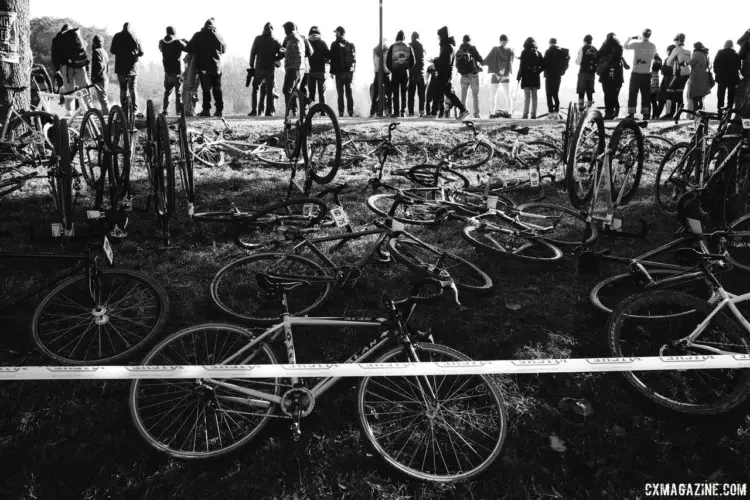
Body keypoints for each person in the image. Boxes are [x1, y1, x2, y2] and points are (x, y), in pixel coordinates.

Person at [186, 18, 227, 117]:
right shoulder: (219, 36)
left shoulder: (198, 35)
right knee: (217, 90)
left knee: (206, 90)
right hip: (217, 68)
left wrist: (185, 43)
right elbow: (224, 49)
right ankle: (219, 111)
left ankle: (206, 110)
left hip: (204, 68)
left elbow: (189, 48)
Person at [431, 26, 470, 121]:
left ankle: (433, 113)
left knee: (437, 92)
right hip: (447, 73)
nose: (438, 38)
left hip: (444, 73)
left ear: (443, 36)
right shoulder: (449, 46)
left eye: (439, 36)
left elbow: (445, 62)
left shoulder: (447, 47)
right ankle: (463, 110)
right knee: (449, 94)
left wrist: (435, 60)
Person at [51, 25, 91, 113]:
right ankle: (88, 107)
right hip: (79, 65)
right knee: (83, 87)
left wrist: (57, 69)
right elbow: (83, 51)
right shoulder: (77, 36)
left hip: (66, 66)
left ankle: (69, 111)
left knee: (69, 90)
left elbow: (54, 56)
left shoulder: (57, 38)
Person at [249, 22, 283, 117]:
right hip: (270, 69)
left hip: (259, 68)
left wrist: (251, 65)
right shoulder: (275, 41)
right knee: (269, 90)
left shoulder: (258, 39)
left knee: (256, 88)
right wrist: (275, 59)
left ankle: (254, 111)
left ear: (263, 29)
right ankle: (269, 112)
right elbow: (282, 53)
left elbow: (253, 53)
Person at [110, 22, 144, 114]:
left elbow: (112, 50)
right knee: (133, 89)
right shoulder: (135, 36)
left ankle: (124, 109)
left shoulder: (117, 36)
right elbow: (141, 52)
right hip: (132, 68)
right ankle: (135, 110)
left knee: (123, 89)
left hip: (120, 67)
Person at [624, 29, 658, 119]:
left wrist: (630, 38)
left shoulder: (637, 44)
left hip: (636, 73)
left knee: (633, 94)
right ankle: (646, 115)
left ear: (642, 35)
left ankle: (631, 114)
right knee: (646, 95)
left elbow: (625, 46)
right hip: (647, 73)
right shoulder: (653, 46)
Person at [280, 22, 312, 115]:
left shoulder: (295, 39)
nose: (285, 33)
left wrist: (297, 69)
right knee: (295, 91)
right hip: (298, 68)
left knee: (288, 90)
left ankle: (290, 112)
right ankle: (306, 108)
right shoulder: (294, 38)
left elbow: (299, 54)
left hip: (295, 68)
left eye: (286, 31)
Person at [158, 26, 188, 115]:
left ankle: (165, 110)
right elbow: (187, 48)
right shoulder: (177, 42)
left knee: (167, 92)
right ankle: (178, 112)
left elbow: (161, 49)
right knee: (178, 93)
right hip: (177, 72)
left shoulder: (161, 42)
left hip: (167, 72)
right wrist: (184, 41)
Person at [386, 30, 415, 118]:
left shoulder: (392, 46)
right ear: (404, 37)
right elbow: (413, 62)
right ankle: (403, 111)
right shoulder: (408, 47)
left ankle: (396, 112)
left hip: (395, 72)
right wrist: (407, 67)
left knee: (395, 92)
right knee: (403, 92)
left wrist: (392, 69)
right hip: (404, 72)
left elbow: (388, 61)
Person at [484, 35, 515, 116]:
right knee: (507, 95)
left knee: (492, 96)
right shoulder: (510, 50)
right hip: (505, 75)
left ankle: (492, 113)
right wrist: (505, 74)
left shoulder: (495, 49)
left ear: (499, 40)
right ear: (507, 41)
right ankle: (510, 113)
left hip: (495, 75)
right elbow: (510, 63)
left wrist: (480, 62)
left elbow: (487, 60)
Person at [597, 33, 625, 119]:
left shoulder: (605, 46)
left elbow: (598, 56)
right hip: (617, 73)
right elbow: (619, 57)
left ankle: (609, 113)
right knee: (614, 94)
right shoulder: (619, 46)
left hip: (606, 73)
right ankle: (615, 112)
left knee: (607, 94)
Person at [329, 26, 356, 118]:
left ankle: (341, 112)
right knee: (349, 93)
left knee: (340, 93)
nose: (335, 34)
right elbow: (354, 60)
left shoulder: (334, 44)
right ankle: (350, 111)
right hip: (349, 73)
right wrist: (352, 71)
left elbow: (332, 59)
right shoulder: (350, 44)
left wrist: (331, 72)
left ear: (339, 33)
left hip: (339, 73)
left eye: (336, 32)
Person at [456, 35, 484, 118]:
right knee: (475, 95)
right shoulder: (472, 48)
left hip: (463, 75)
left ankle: (462, 113)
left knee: (463, 95)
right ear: (469, 40)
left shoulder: (459, 51)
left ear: (463, 40)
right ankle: (476, 114)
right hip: (473, 75)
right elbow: (480, 59)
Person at [665, 33, 691, 117]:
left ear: (678, 41)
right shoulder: (688, 51)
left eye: (675, 40)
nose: (675, 42)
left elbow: (668, 62)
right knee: (679, 93)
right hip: (686, 73)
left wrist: (673, 63)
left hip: (678, 73)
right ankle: (678, 114)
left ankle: (669, 114)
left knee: (669, 91)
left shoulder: (676, 49)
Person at [517, 37, 543, 119]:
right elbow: (543, 64)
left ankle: (525, 115)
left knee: (527, 97)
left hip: (526, 77)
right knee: (535, 97)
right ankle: (533, 115)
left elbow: (521, 66)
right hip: (535, 78)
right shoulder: (538, 53)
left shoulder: (524, 52)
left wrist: (518, 76)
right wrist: (538, 71)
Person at [714, 40, 741, 112]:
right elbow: (739, 66)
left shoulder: (720, 53)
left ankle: (720, 112)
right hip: (732, 78)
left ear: (725, 45)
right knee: (731, 97)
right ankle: (728, 113)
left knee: (720, 96)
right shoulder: (736, 54)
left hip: (721, 78)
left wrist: (717, 72)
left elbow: (715, 64)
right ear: (732, 46)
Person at [543, 38, 566, 119]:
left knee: (549, 94)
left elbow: (544, 63)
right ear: (556, 43)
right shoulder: (561, 52)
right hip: (557, 76)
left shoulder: (548, 51)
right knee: (555, 94)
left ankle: (551, 112)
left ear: (550, 43)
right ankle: (556, 112)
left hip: (549, 76)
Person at [307, 26, 330, 107]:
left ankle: (311, 111)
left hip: (310, 71)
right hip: (321, 71)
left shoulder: (307, 42)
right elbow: (328, 55)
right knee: (322, 93)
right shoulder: (322, 43)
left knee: (311, 93)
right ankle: (323, 111)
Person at [575, 34, 598, 111]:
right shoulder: (595, 49)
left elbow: (578, 61)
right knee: (590, 91)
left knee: (581, 91)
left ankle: (581, 109)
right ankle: (589, 109)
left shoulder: (582, 48)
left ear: (584, 41)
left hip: (583, 72)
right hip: (592, 73)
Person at [370, 39, 392, 117]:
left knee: (375, 94)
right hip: (385, 73)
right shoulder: (388, 49)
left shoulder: (375, 50)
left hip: (377, 72)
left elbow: (374, 62)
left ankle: (372, 112)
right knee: (389, 94)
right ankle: (389, 111)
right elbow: (389, 61)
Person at [89, 35, 109, 114]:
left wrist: (94, 78)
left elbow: (99, 66)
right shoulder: (104, 51)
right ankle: (107, 116)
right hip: (104, 77)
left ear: (94, 42)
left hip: (100, 79)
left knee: (103, 99)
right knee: (103, 98)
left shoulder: (96, 51)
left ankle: (107, 117)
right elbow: (106, 67)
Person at [407, 32, 426, 117]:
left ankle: (411, 113)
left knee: (411, 94)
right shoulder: (421, 46)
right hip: (420, 73)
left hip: (412, 73)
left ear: (412, 37)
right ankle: (422, 112)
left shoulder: (408, 46)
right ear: (418, 37)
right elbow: (422, 60)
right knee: (421, 94)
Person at [689, 42, 712, 111]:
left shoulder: (696, 53)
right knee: (700, 95)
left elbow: (692, 63)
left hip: (697, 75)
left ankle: (696, 113)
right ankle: (701, 112)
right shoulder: (705, 54)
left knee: (694, 96)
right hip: (705, 75)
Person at [656, 44, 676, 119]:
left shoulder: (668, 59)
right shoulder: (678, 59)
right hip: (674, 81)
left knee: (662, 98)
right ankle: (671, 114)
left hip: (667, 80)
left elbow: (663, 71)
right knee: (672, 99)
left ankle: (659, 114)